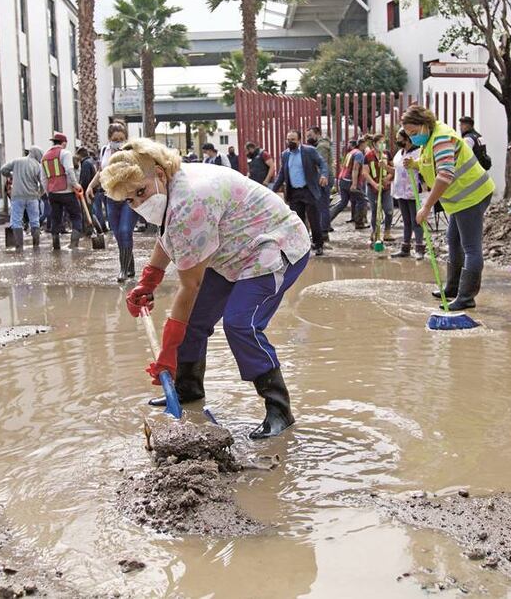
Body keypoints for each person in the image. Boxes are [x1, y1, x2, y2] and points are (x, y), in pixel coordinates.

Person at [104, 138, 312, 439]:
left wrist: (167, 355)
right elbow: (170, 235)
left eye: (141, 192)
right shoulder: (170, 190)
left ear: (160, 174)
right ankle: (188, 388)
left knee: (241, 323)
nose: (138, 204)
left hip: (273, 246)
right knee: (195, 320)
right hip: (230, 250)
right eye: (129, 201)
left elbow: (189, 287)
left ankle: (279, 410)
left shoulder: (191, 199)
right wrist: (148, 280)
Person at [403, 105, 494, 310]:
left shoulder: (441, 137)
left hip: (471, 195)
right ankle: (453, 287)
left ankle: (466, 297)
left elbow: (445, 174)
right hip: (459, 199)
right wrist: (416, 164)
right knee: (453, 240)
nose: (412, 138)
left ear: (425, 124)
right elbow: (431, 162)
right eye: (409, 134)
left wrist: (426, 206)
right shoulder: (431, 136)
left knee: (471, 247)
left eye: (414, 133)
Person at [87, 122, 138, 281]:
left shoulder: (132, 152)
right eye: (115, 139)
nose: (119, 141)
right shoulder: (104, 150)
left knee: (125, 231)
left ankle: (123, 270)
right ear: (109, 138)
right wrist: (90, 186)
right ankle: (130, 265)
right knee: (117, 234)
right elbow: (102, 172)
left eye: (122, 138)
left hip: (129, 198)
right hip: (110, 198)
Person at [273, 129, 329, 256]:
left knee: (314, 220)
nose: (290, 142)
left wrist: (324, 175)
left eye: (293, 139)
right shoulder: (285, 155)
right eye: (288, 139)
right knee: (298, 222)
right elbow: (282, 174)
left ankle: (318, 245)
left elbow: (322, 163)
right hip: (294, 193)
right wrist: (271, 191)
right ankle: (303, 247)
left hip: (309, 191)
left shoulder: (309, 151)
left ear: (299, 140)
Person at [41, 132, 85, 250]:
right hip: (67, 192)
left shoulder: (45, 156)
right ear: (64, 143)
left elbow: (43, 178)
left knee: (56, 219)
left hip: (52, 194)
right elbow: (69, 171)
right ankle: (73, 245)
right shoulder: (65, 153)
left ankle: (56, 246)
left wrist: (47, 192)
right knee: (76, 216)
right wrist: (76, 185)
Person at [1, 147, 45, 251]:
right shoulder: (38, 166)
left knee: (16, 221)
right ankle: (36, 245)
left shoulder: (17, 161)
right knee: (35, 221)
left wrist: (11, 175)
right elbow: (43, 182)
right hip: (32, 197)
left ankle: (19, 246)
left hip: (17, 196)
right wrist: (40, 194)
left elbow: (3, 170)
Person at [390, 129, 425, 259]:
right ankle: (405, 248)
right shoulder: (399, 153)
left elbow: (422, 167)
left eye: (399, 138)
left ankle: (419, 248)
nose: (397, 141)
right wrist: (386, 168)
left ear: (407, 139)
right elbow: (396, 171)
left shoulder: (418, 152)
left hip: (413, 191)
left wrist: (414, 165)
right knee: (406, 222)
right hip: (400, 192)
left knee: (416, 221)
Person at [361, 133, 394, 245]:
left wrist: (387, 178)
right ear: (374, 144)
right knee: (375, 210)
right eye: (380, 142)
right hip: (372, 188)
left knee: (389, 210)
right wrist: (374, 184)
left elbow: (393, 169)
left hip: (386, 187)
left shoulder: (387, 154)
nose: (382, 145)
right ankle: (374, 232)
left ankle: (387, 232)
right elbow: (365, 173)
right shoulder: (368, 156)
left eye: (383, 142)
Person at [307, 126, 334, 234]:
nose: (308, 138)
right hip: (326, 177)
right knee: (324, 205)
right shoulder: (322, 145)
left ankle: (323, 231)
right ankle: (325, 228)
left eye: (310, 135)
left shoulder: (321, 147)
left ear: (317, 134)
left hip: (323, 178)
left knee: (322, 205)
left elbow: (320, 164)